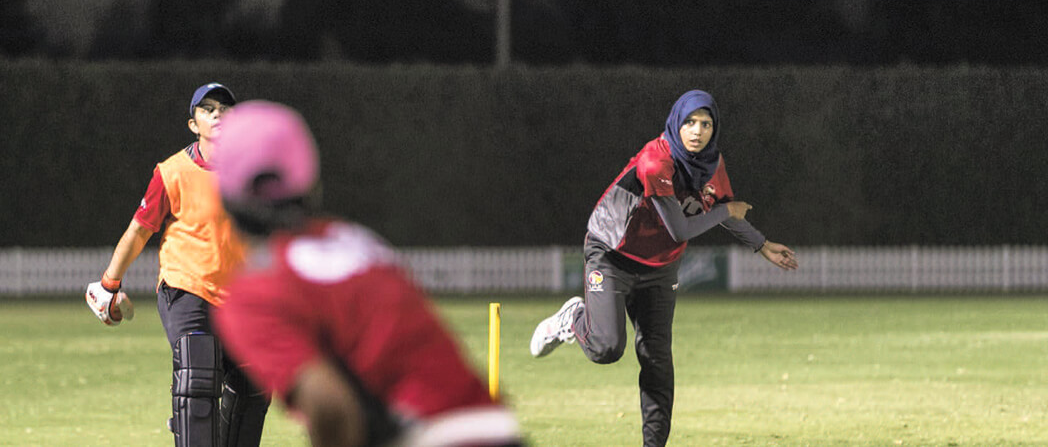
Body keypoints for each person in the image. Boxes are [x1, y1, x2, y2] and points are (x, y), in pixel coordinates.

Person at [210, 101, 524, 447]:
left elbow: (329, 407)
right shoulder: (355, 239)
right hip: (495, 427)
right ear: (309, 180)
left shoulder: (254, 292)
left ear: (224, 194)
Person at [529, 89, 798, 446]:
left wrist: (761, 244)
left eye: (706, 123)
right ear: (676, 122)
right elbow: (682, 228)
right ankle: (572, 319)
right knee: (607, 347)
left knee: (657, 360)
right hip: (612, 253)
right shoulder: (655, 161)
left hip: (660, 267)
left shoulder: (713, 164)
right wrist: (726, 212)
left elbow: (722, 206)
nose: (697, 131)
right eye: (690, 122)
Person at [84, 82, 269, 447]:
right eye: (208, 109)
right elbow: (139, 231)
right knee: (198, 370)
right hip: (187, 290)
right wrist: (109, 285)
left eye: (225, 109)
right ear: (193, 124)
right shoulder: (171, 173)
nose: (218, 115)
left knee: (255, 379)